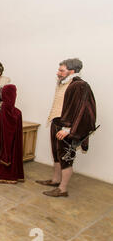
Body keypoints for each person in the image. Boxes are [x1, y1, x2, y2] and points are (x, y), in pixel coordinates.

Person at [36, 58, 97, 197]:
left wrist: (68, 129)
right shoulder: (64, 83)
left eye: (61, 70)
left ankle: (62, 189)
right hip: (56, 123)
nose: (58, 72)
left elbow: (80, 109)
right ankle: (55, 180)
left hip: (66, 128)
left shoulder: (79, 85)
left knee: (66, 157)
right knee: (57, 155)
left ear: (72, 71)